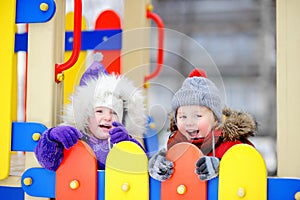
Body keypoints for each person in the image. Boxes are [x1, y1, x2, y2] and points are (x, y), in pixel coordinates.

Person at [148, 68, 257, 181]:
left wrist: (221, 166)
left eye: (197, 116)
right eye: (182, 117)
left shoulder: (230, 145)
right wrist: (157, 166)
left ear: (215, 119)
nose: (189, 122)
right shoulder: (175, 146)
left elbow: (249, 168)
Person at [34, 73, 147, 171]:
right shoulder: (74, 140)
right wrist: (51, 138)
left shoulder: (122, 141)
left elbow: (140, 165)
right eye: (99, 111)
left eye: (114, 113)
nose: (107, 117)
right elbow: (48, 162)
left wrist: (128, 143)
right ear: (86, 116)